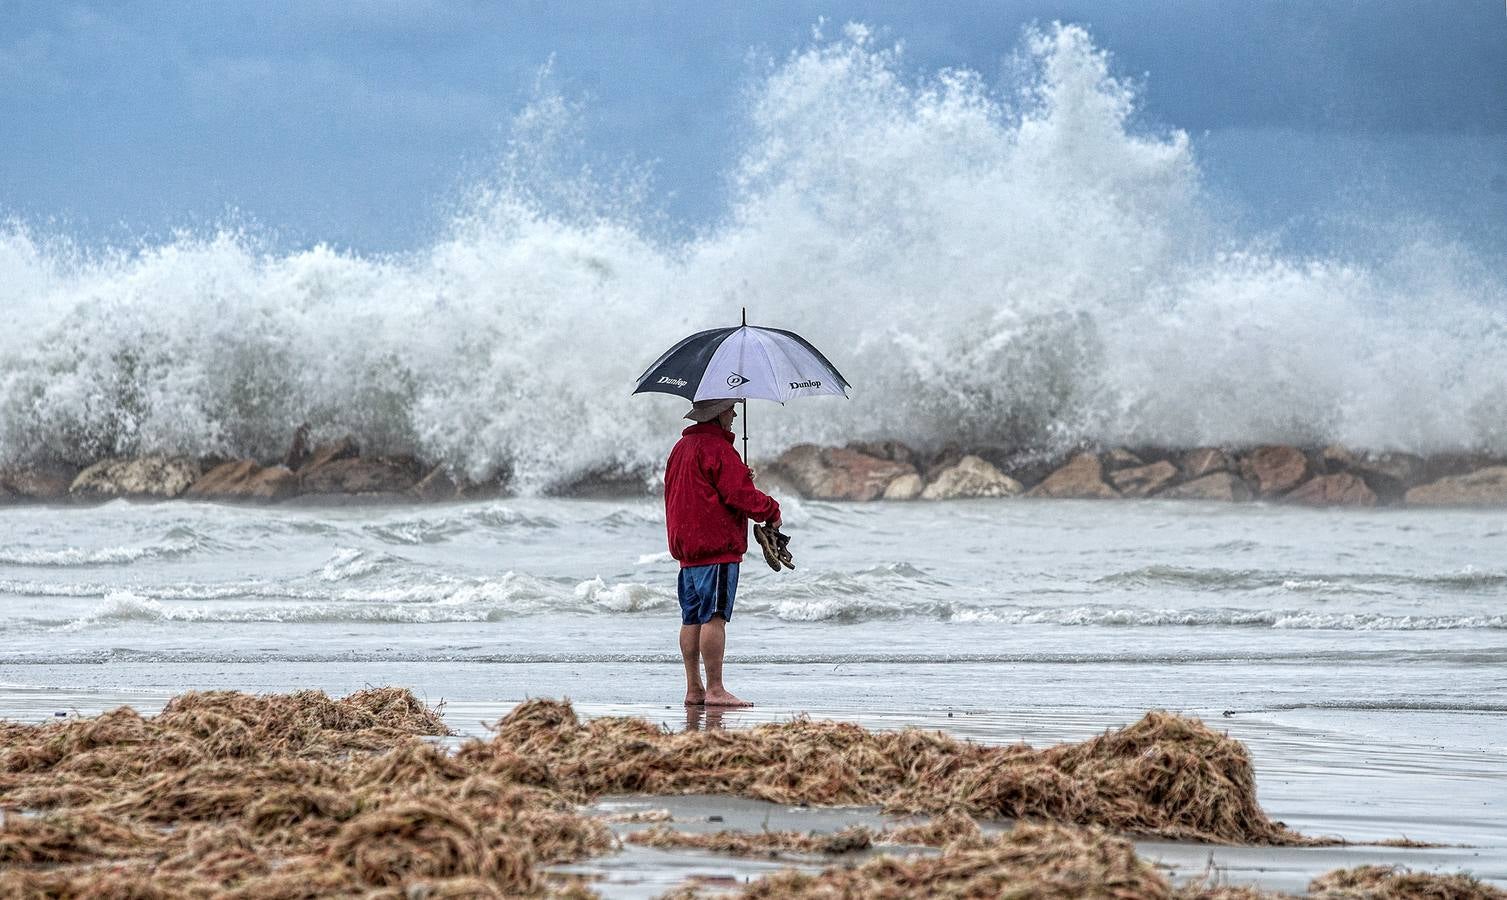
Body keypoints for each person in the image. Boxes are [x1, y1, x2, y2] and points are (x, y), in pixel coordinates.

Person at [664, 398, 781, 707]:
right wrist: (771, 509)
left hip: (686, 550)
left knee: (691, 618)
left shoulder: (681, 448)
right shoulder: (717, 449)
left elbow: (701, 488)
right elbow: (739, 496)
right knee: (714, 617)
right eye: (730, 409)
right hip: (715, 548)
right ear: (717, 414)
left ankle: (694, 689)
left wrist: (738, 473)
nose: (734, 414)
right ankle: (716, 690)